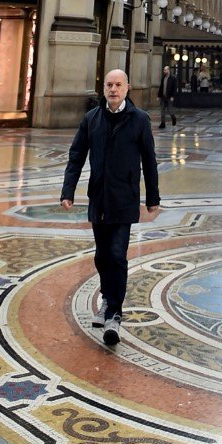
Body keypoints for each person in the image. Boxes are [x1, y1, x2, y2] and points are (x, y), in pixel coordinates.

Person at [60, 69, 160, 347]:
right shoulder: (92, 119)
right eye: (109, 85)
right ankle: (107, 301)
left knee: (117, 254)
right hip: (99, 199)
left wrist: (153, 198)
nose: (113, 89)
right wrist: (67, 191)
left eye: (118, 85)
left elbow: (149, 161)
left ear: (127, 88)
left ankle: (114, 312)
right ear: (103, 88)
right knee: (102, 256)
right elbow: (76, 156)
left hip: (124, 199)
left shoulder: (139, 120)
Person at [157, 64, 177, 129]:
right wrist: (159, 96)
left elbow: (174, 88)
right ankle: (163, 123)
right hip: (163, 96)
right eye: (164, 70)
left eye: (165, 70)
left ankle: (173, 118)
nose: (164, 71)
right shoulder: (163, 78)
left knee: (170, 110)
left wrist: (172, 96)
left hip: (169, 97)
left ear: (168, 70)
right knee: (162, 111)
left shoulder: (173, 78)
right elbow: (161, 87)